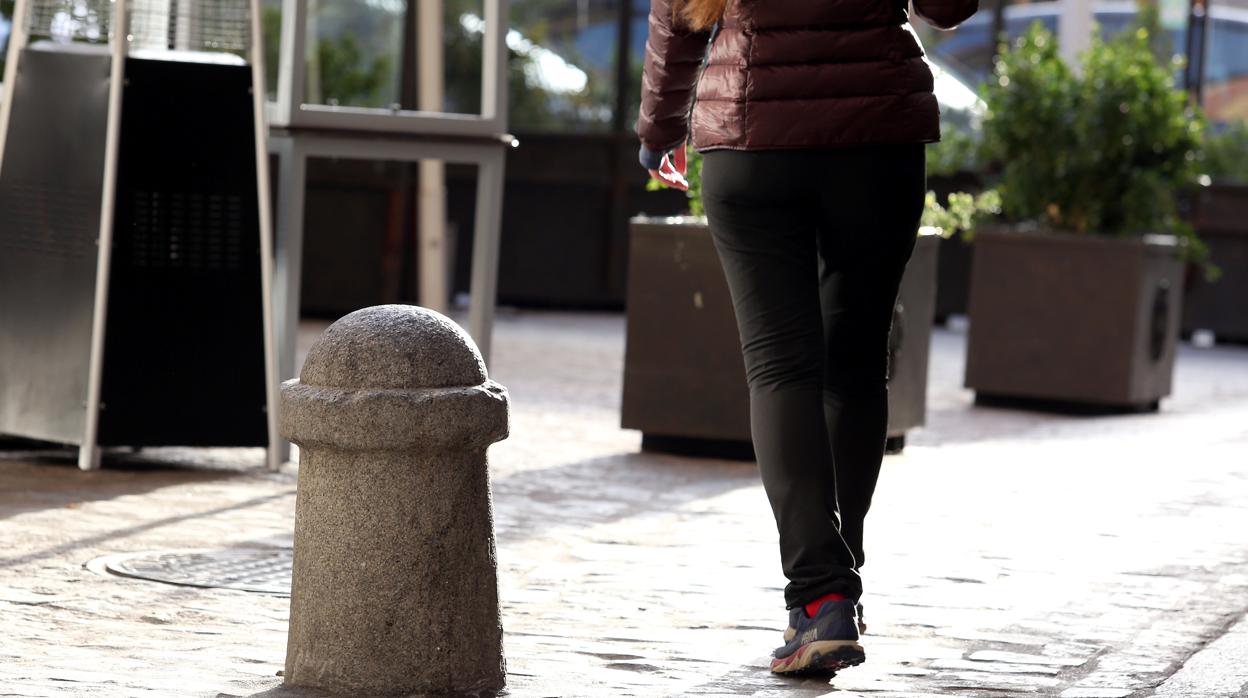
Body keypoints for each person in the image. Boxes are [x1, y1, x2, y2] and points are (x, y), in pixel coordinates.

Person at [637, 0, 978, 677]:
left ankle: (822, 595)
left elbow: (676, 16)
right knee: (854, 364)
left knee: (781, 368)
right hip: (875, 137)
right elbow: (948, 8)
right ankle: (833, 597)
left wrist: (658, 128)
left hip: (752, 130)